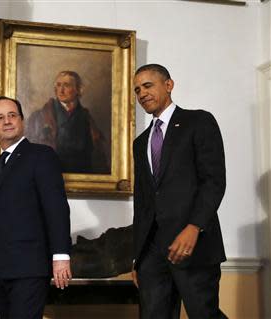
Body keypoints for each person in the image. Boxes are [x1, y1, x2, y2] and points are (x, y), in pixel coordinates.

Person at [132, 64, 227, 318]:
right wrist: (138, 257)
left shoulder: (198, 121)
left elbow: (214, 181)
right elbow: (142, 203)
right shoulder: (140, 143)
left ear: (168, 85)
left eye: (148, 85)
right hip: (152, 253)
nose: (142, 94)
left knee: (203, 314)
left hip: (194, 246)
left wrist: (194, 227)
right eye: (137, 90)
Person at [0, 96, 72, 319]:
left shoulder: (41, 156)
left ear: (22, 120)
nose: (7, 121)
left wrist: (61, 255)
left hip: (30, 269)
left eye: (12, 115)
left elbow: (57, 208)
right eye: (0, 118)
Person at [25, 70, 109, 174]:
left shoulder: (87, 118)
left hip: (82, 176)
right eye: (58, 85)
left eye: (66, 85)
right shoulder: (39, 117)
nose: (61, 90)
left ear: (78, 89)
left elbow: (97, 156)